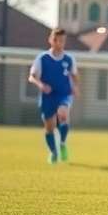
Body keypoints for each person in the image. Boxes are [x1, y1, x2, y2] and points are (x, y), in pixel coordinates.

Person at [28, 27, 79, 164]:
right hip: (47, 97)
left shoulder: (69, 59)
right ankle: (53, 152)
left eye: (62, 40)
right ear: (51, 40)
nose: (60, 43)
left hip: (64, 94)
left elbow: (74, 76)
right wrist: (41, 85)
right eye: (57, 40)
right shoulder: (42, 58)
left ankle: (62, 143)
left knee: (63, 115)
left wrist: (75, 87)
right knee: (49, 128)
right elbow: (32, 77)